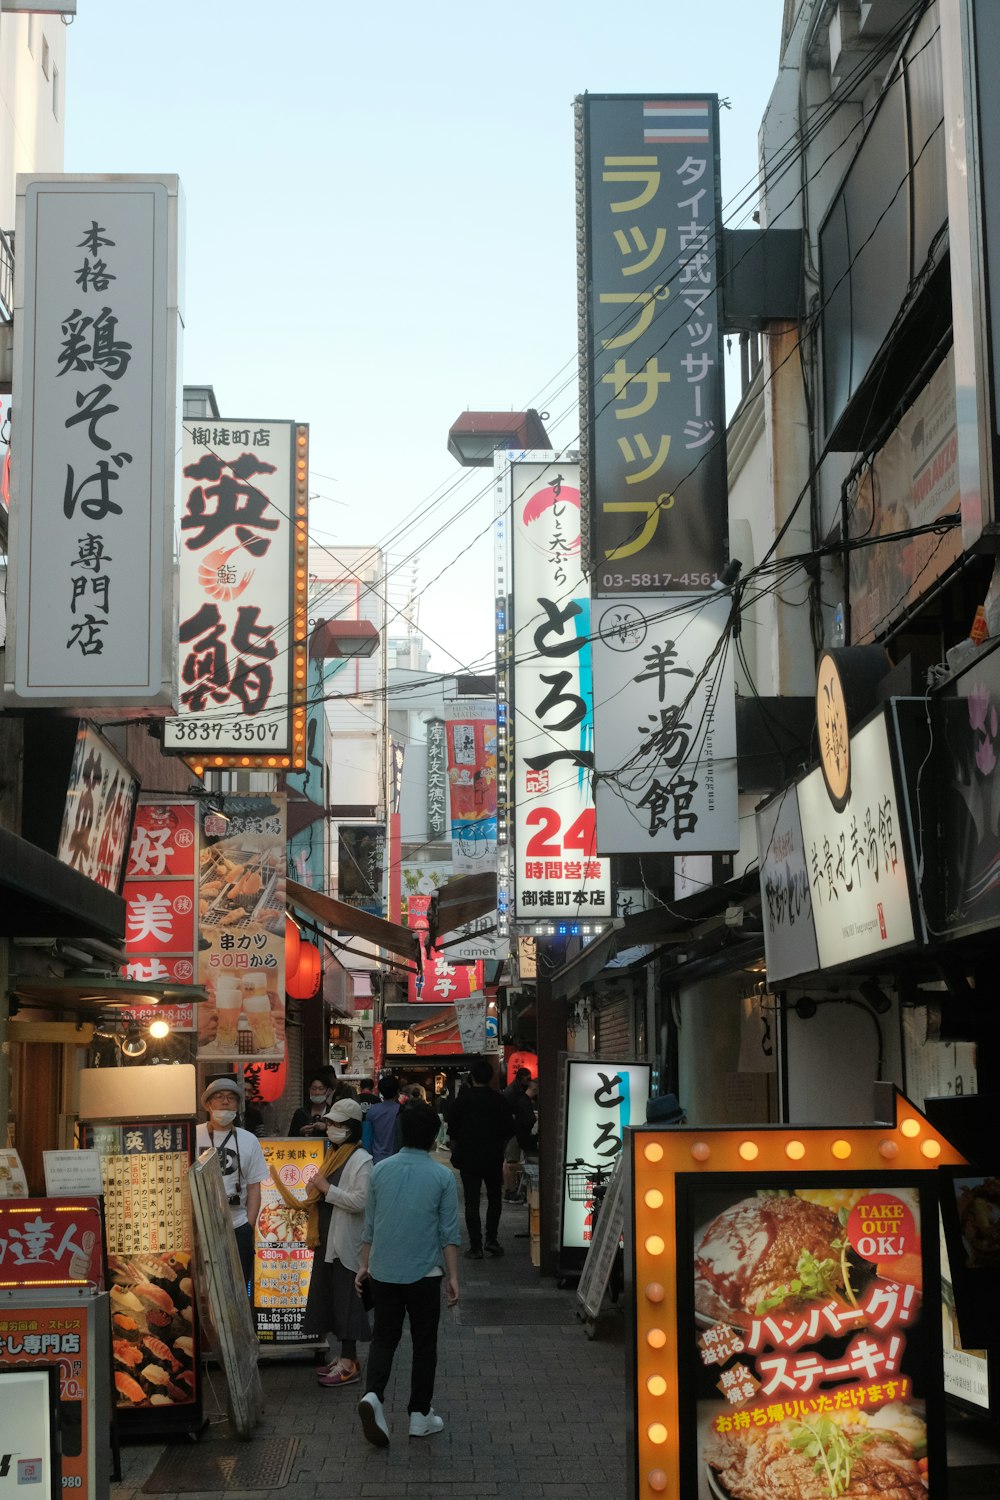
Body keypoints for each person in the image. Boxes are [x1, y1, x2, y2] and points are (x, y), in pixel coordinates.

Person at [354, 1101, 460, 1447]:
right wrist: (453, 1276)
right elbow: (448, 1232)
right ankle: (419, 1415)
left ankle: (373, 1395)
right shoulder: (442, 1176)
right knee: (424, 1342)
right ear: (433, 1137)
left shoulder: (381, 1170)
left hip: (383, 1269)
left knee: (385, 1337)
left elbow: (370, 1225)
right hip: (425, 1272)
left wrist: (364, 1265)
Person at [299, 1099, 373, 1388]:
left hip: (345, 1243)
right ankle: (344, 1357)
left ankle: (349, 1360)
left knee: (347, 1302)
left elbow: (360, 1201)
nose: (333, 1129)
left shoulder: (360, 1159)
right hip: (327, 1239)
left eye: (340, 1125)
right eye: (331, 1123)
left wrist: (326, 1189)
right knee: (331, 1297)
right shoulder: (335, 1154)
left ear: (353, 1128)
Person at [196, 1077, 269, 1291]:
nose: (225, 1102)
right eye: (219, 1098)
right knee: (204, 1287)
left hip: (238, 1225)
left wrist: (250, 1223)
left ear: (238, 1105)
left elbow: (255, 1186)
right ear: (208, 1104)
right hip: (202, 1226)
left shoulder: (249, 1140)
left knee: (237, 1286)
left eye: (231, 1098)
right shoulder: (194, 1134)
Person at [447, 1057, 514, 1259]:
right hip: (493, 1156)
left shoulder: (462, 1101)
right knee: (494, 1198)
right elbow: (509, 1130)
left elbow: (453, 1131)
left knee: (472, 1202)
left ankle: (475, 1246)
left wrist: (455, 1152)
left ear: (471, 1077)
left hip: (468, 1157)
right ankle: (491, 1240)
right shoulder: (499, 1099)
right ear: (491, 1076)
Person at [502, 1067, 536, 1201]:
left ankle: (511, 1189)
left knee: (510, 1160)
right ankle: (510, 1191)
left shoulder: (516, 1089)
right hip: (512, 1131)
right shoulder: (512, 1092)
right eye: (527, 1079)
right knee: (510, 1162)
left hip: (514, 1130)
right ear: (521, 1078)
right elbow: (506, 1112)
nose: (529, 1081)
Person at [361, 1075, 401, 1164]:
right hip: (397, 1159)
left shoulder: (372, 1111)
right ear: (398, 1091)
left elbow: (366, 1139)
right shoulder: (402, 1111)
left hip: (376, 1160)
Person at [288, 1069, 337, 1138]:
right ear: (309, 1090)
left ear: (328, 1091)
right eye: (314, 1088)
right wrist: (301, 1132)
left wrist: (326, 1127)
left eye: (321, 1089)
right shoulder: (301, 1113)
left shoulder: (333, 1112)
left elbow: (340, 1135)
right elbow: (291, 1137)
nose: (317, 1092)